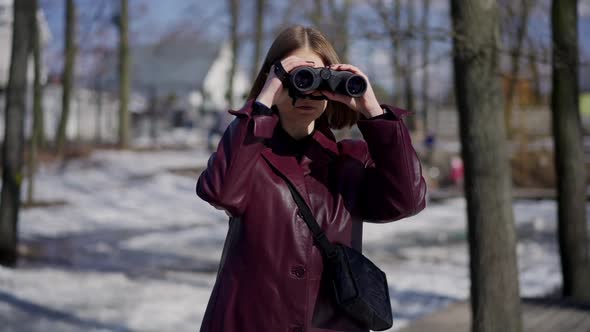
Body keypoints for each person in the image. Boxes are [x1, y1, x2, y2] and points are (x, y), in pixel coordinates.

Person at [196, 25, 427, 332]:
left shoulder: (351, 160)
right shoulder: (249, 153)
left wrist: (373, 112)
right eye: (297, 77)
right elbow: (220, 192)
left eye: (318, 77)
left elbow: (407, 200)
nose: (307, 90)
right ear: (273, 79)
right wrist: (263, 101)